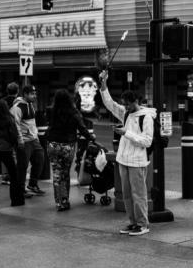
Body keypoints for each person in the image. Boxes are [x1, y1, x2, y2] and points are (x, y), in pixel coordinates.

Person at [99, 71, 155, 237]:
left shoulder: (146, 117)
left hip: (137, 161)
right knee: (127, 195)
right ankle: (133, 222)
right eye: (125, 104)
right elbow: (110, 104)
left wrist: (126, 133)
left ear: (136, 101)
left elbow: (147, 141)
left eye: (129, 104)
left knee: (139, 195)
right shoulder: (126, 113)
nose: (126, 107)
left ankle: (143, 224)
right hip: (123, 160)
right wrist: (104, 85)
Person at [46, 89, 95, 211]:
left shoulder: (51, 111)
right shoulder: (74, 112)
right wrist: (91, 138)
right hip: (68, 146)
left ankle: (58, 203)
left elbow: (49, 124)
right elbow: (82, 128)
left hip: (53, 145)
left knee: (56, 174)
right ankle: (65, 200)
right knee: (65, 173)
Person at [12, 85, 45, 196]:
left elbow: (32, 123)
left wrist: (36, 136)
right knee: (22, 166)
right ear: (25, 94)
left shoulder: (30, 105)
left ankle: (32, 184)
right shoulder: (17, 107)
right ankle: (20, 189)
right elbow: (15, 125)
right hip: (24, 142)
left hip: (33, 140)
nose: (34, 96)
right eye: (32, 94)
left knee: (40, 159)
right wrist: (20, 140)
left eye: (35, 93)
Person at [0, 82, 21, 186]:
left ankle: (5, 176)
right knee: (16, 154)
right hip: (15, 130)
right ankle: (13, 175)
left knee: (6, 154)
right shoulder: (19, 102)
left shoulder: (2, 101)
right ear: (17, 91)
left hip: (4, 131)